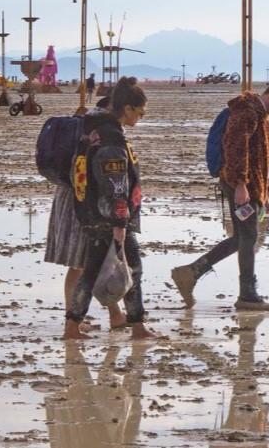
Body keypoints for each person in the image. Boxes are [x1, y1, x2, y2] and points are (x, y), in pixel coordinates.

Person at [172, 78, 269, 311]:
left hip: (249, 185)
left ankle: (190, 273)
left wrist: (264, 190)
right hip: (239, 184)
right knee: (247, 237)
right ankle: (246, 295)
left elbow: (258, 156)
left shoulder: (259, 114)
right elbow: (236, 148)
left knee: (242, 237)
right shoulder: (247, 112)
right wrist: (240, 184)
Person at [64, 77, 159, 340]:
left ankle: (72, 326)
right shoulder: (111, 139)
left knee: (92, 270)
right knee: (134, 268)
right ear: (127, 108)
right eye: (140, 113)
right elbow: (115, 185)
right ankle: (137, 326)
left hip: (94, 214)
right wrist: (120, 223)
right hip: (110, 219)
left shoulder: (94, 130)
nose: (139, 118)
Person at [45, 95, 126, 331]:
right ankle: (74, 319)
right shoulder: (97, 132)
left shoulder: (84, 126)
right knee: (81, 263)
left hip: (71, 196)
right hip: (80, 200)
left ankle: (112, 314)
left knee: (92, 261)